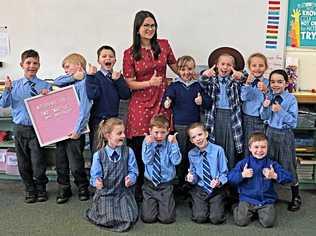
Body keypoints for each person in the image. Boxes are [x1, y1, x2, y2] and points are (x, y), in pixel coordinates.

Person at [123, 10, 178, 199]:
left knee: (162, 140)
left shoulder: (163, 45)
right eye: (146, 25)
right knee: (140, 144)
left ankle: (163, 184)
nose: (150, 29)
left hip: (162, 99)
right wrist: (149, 83)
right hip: (140, 102)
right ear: (137, 28)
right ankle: (139, 187)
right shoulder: (129, 53)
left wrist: (192, 72)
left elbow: (177, 66)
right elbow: (129, 83)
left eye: (152, 25)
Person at [0, 49, 51, 203]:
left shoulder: (45, 86)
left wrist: (47, 97)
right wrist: (7, 90)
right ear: (22, 64)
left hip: (37, 129)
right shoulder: (13, 85)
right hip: (20, 128)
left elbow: (50, 109)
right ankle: (29, 189)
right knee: (23, 162)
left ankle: (41, 188)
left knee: (38, 162)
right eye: (28, 63)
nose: (31, 66)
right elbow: (3, 104)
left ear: (39, 65)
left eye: (35, 63)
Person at [162, 55, 211, 193]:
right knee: (180, 153)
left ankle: (193, 179)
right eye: (183, 69)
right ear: (178, 70)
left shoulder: (198, 86)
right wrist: (167, 103)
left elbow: (208, 102)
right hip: (180, 126)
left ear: (193, 69)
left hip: (195, 127)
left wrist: (202, 102)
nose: (186, 72)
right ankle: (179, 180)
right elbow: (166, 100)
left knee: (194, 153)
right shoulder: (175, 86)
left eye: (189, 69)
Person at [228, 132, 293, 227]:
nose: (259, 150)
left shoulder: (272, 164)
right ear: (250, 148)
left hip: (266, 200)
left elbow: (289, 177)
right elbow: (230, 178)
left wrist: (274, 175)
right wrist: (242, 175)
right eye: (256, 147)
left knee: (268, 223)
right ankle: (235, 207)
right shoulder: (244, 163)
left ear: (267, 148)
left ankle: (257, 212)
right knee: (241, 221)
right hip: (247, 199)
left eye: (263, 147)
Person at [86, 118, 138, 232]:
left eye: (124, 132)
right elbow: (94, 176)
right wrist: (97, 182)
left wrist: (131, 178)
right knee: (107, 218)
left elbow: (134, 171)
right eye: (119, 133)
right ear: (108, 135)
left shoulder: (129, 151)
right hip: (105, 193)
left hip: (123, 192)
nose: (123, 136)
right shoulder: (98, 155)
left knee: (127, 219)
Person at [260, 69, 301, 211]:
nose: (275, 85)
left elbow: (294, 122)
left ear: (286, 83)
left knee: (288, 164)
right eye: (272, 82)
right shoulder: (269, 96)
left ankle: (296, 195)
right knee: (269, 163)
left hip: (285, 135)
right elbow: (264, 117)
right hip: (270, 133)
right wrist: (265, 107)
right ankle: (269, 194)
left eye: (279, 81)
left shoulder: (291, 99)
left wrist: (280, 111)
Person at [53, 53, 92, 203]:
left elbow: (84, 109)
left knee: (76, 163)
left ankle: (82, 186)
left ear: (79, 66)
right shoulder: (68, 82)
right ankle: (64, 188)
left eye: (68, 67)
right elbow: (56, 81)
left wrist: (77, 130)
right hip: (61, 131)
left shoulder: (84, 84)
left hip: (76, 131)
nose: (65, 70)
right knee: (60, 161)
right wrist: (72, 77)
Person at [199, 47, 244, 170]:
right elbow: (201, 81)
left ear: (233, 67)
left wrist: (241, 75)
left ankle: (229, 178)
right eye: (222, 64)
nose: (225, 67)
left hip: (231, 117)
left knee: (230, 146)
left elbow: (245, 78)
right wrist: (204, 74)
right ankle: (214, 175)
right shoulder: (211, 79)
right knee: (214, 144)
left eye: (229, 65)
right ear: (216, 65)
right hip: (215, 115)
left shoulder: (235, 80)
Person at [85, 45, 131, 157]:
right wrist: (90, 77)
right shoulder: (94, 76)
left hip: (114, 121)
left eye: (111, 56)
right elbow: (92, 95)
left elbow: (125, 95)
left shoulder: (117, 76)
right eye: (104, 56)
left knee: (115, 150)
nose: (108, 58)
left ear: (115, 60)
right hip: (98, 121)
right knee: (97, 150)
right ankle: (97, 174)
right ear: (98, 60)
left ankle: (115, 173)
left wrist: (118, 80)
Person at [141, 114, 181, 224]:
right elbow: (147, 160)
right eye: (156, 132)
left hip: (166, 185)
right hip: (150, 184)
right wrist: (149, 145)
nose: (159, 136)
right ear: (150, 131)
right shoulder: (147, 141)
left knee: (167, 219)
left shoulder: (171, 143)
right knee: (148, 218)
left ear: (168, 131)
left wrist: (174, 144)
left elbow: (176, 161)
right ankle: (153, 203)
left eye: (163, 132)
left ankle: (166, 202)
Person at [186, 122, 228, 224]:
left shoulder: (218, 150)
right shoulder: (191, 154)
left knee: (216, 219)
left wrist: (218, 181)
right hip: (200, 189)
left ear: (206, 134)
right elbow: (193, 175)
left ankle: (221, 202)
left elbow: (224, 173)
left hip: (216, 189)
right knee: (200, 218)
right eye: (194, 137)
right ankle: (195, 200)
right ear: (191, 141)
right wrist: (190, 178)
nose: (198, 139)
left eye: (200, 134)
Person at [241, 53, 269, 157]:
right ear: (249, 67)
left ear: (266, 67)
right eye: (254, 65)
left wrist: (266, 91)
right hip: (247, 119)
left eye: (261, 65)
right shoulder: (246, 82)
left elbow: (272, 99)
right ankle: (247, 169)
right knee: (248, 146)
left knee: (261, 147)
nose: (257, 68)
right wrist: (247, 84)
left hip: (262, 119)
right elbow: (243, 97)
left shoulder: (268, 82)